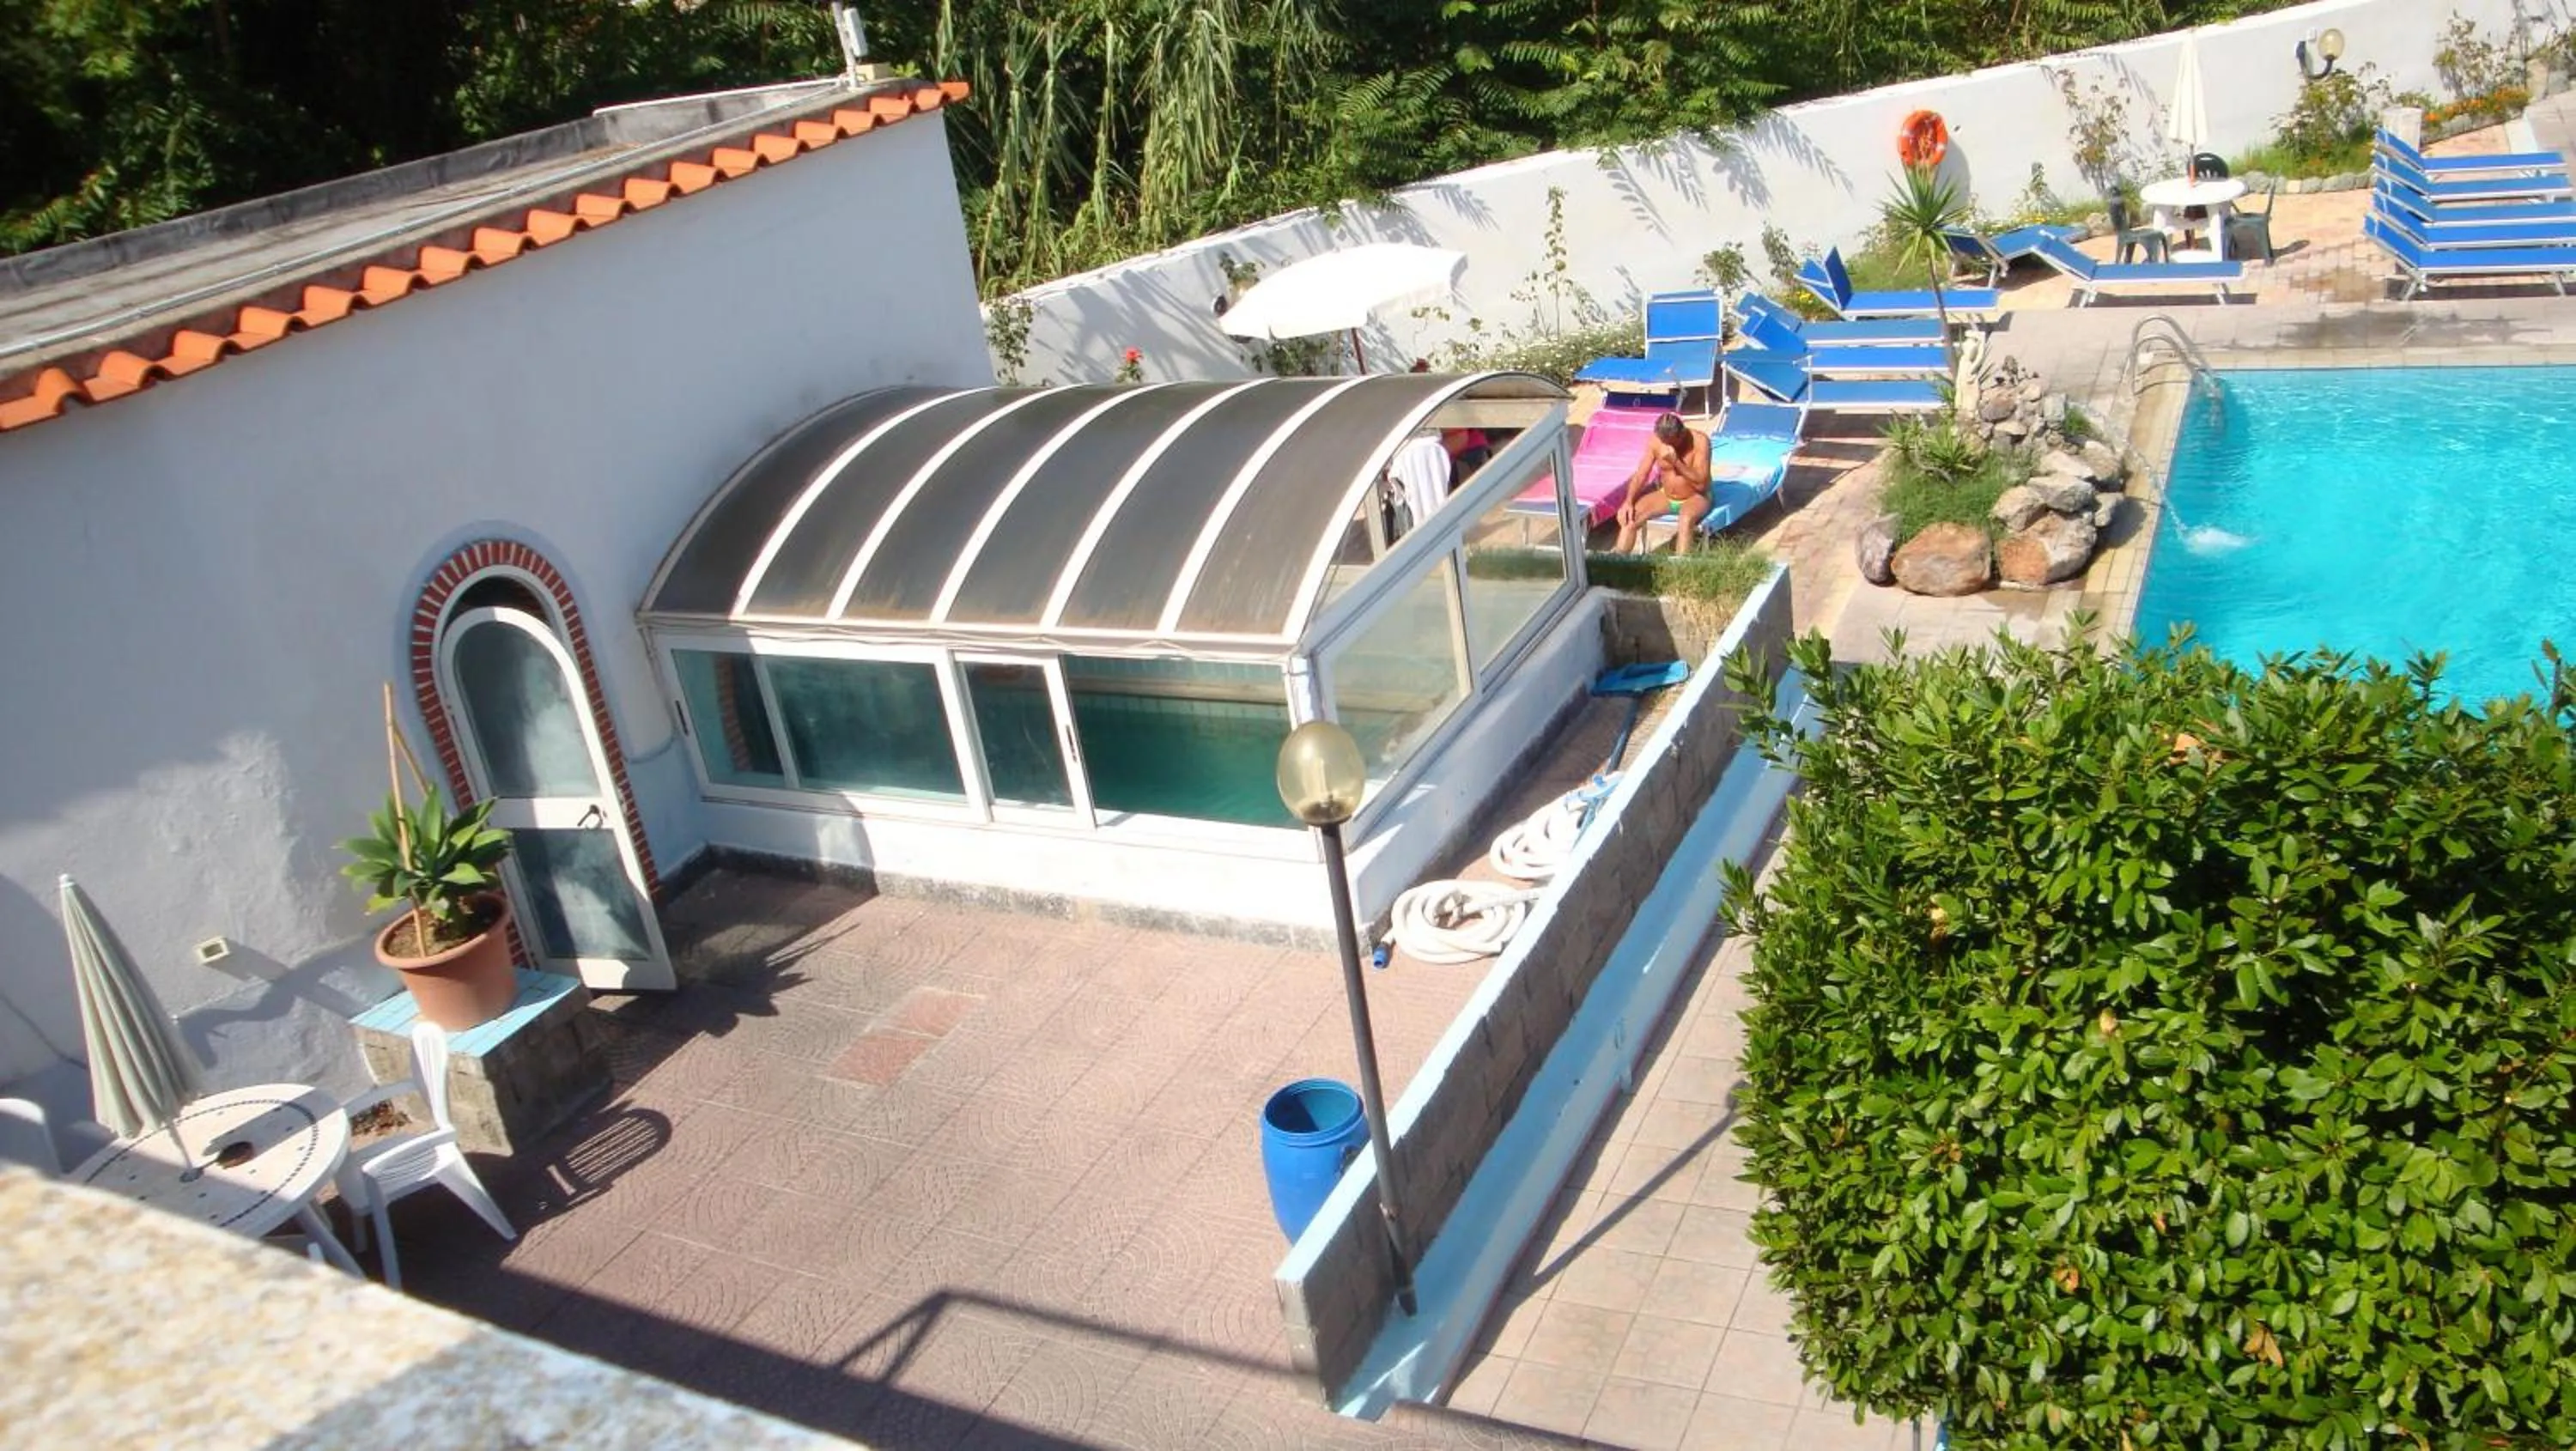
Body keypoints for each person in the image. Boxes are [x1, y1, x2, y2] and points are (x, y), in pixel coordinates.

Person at [1613, 411, 1712, 554]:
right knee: (1630, 518)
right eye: (1665, 442)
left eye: (1672, 442)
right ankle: (1617, 565)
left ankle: (1681, 569)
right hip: (1666, 495)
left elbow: (1702, 483)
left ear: (1682, 434)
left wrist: (1676, 462)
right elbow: (1641, 475)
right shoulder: (1656, 441)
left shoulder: (1700, 441)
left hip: (1696, 496)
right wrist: (1628, 501)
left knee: (1685, 519)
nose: (1668, 446)